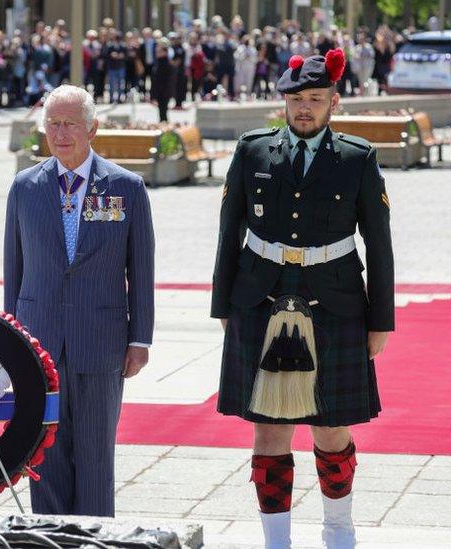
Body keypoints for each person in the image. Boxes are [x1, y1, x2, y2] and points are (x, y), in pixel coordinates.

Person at [210, 50, 393, 549]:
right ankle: (277, 541)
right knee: (269, 432)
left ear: (333, 101)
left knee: (331, 428)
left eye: (315, 99)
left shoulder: (357, 157)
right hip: (260, 299)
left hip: (335, 302)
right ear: (284, 103)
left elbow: (379, 245)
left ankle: (338, 529)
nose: (305, 108)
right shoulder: (253, 151)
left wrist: (381, 321)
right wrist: (223, 306)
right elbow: (229, 234)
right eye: (296, 100)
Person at [3, 85, 154, 517]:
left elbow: (140, 269)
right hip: (40, 341)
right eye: (53, 123)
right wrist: (13, 338)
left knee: (94, 455)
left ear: (93, 128)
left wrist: (140, 337)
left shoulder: (126, 187)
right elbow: (14, 270)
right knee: (43, 453)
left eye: (70, 123)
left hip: (100, 340)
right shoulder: (25, 187)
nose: (61, 132)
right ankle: (49, 535)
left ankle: (93, 535)